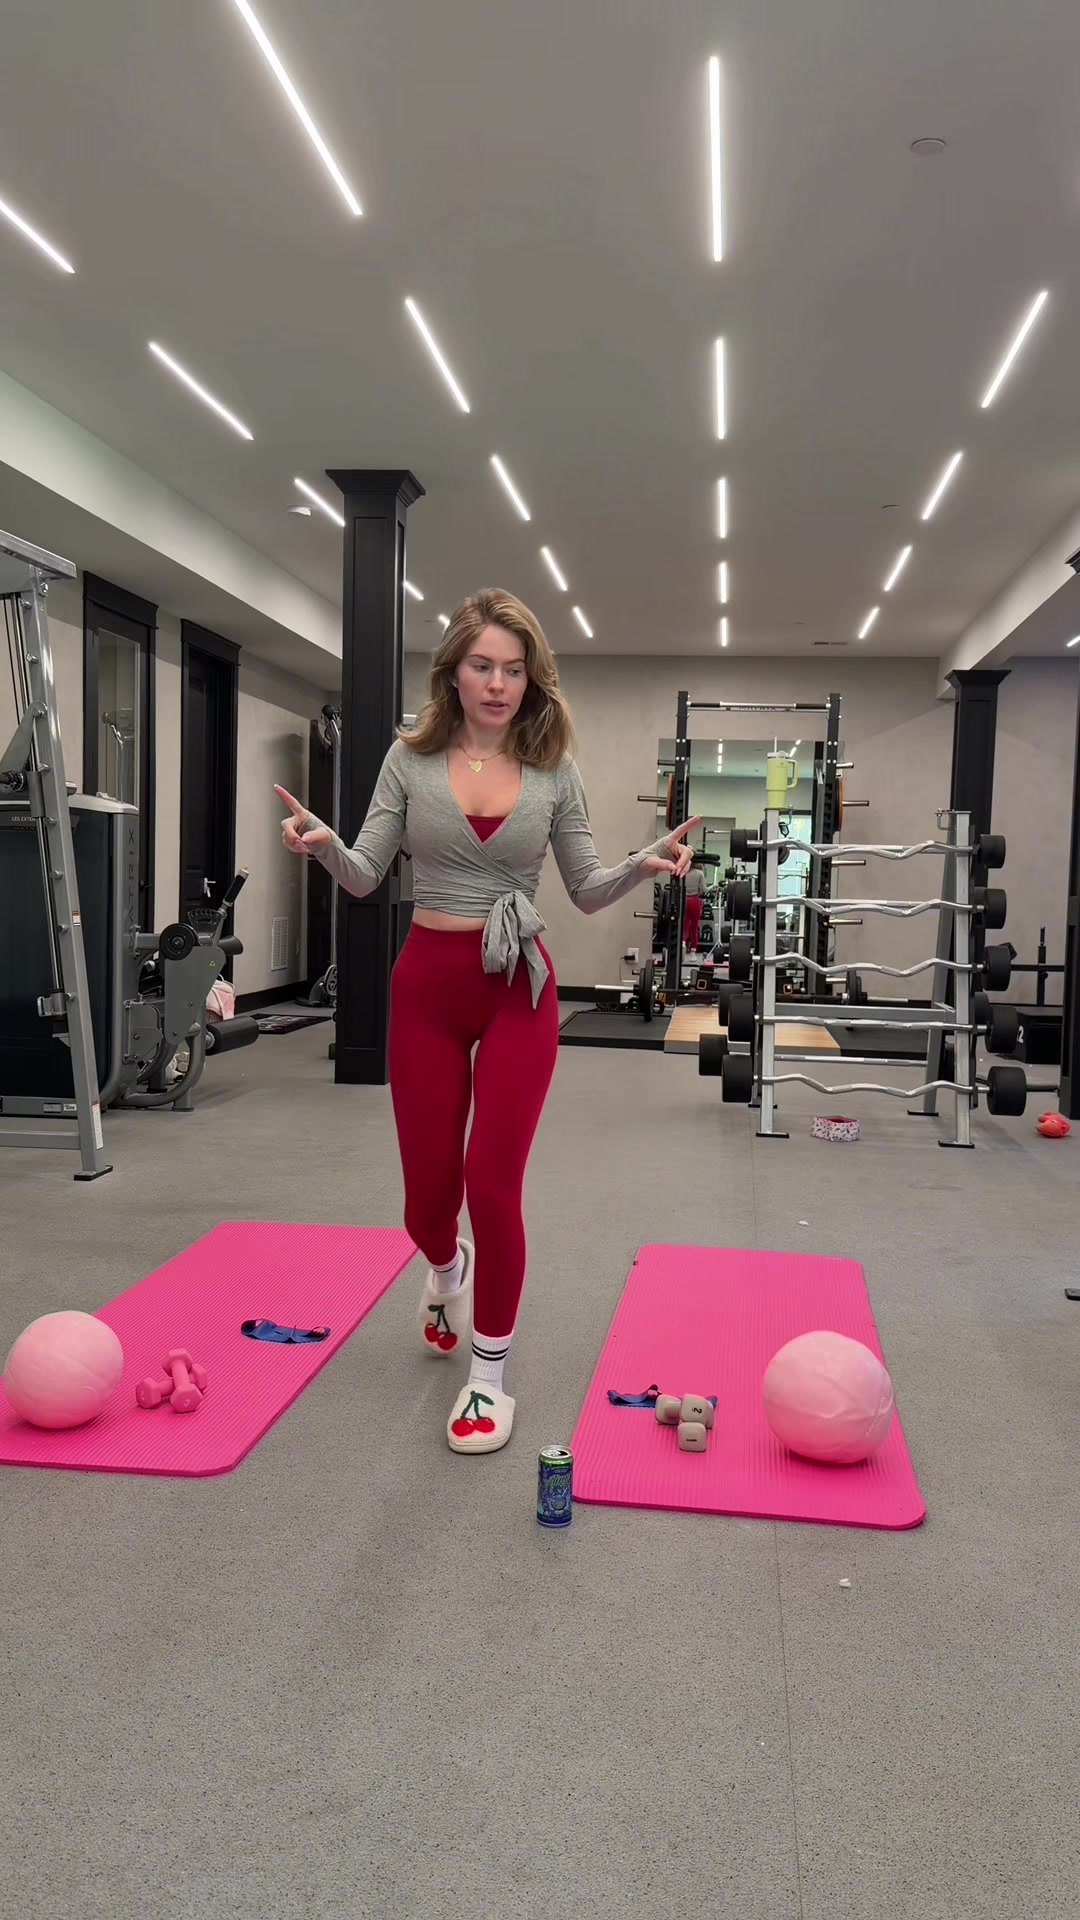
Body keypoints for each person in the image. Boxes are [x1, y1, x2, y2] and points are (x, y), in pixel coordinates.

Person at [275, 588, 698, 1457]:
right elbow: (365, 876)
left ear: (531, 678)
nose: (498, 684)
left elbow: (585, 888)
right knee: (427, 1206)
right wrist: (323, 845)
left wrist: (643, 864)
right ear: (454, 673)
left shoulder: (553, 769)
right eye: (483, 666)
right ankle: (447, 1267)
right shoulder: (409, 760)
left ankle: (489, 1375)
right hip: (428, 987)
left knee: (491, 1187)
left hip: (518, 989)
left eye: (514, 669)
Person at [682, 856, 705, 953]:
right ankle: (693, 952)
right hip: (694, 901)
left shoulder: (683, 872)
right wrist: (714, 886)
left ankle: (683, 943)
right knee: (694, 927)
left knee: (685, 925)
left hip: (684, 900)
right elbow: (704, 890)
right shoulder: (699, 873)